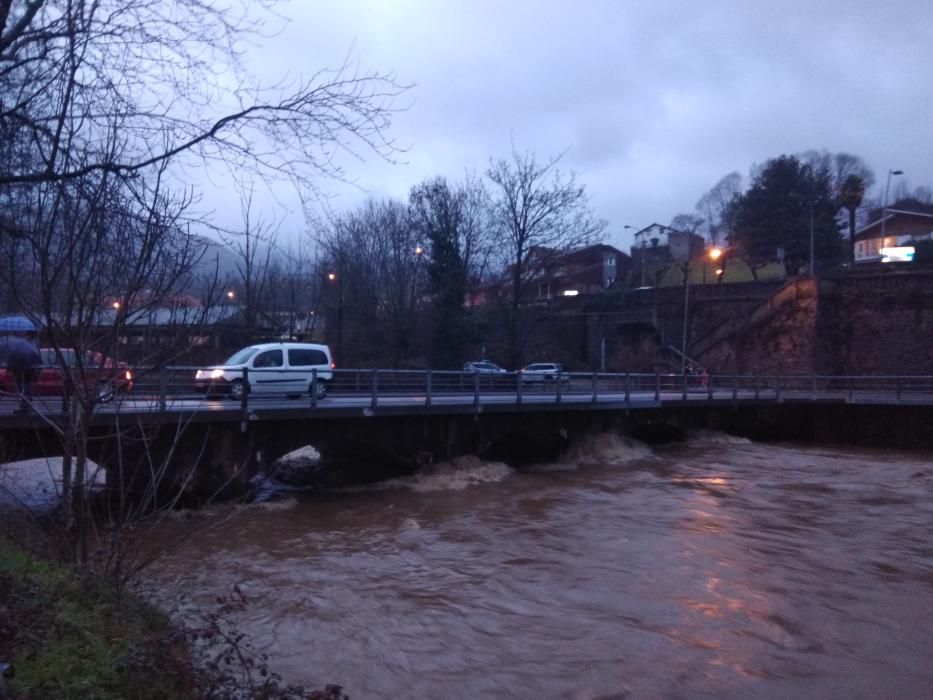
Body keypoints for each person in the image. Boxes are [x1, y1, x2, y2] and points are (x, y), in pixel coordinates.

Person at [5, 333, 41, 413]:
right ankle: (26, 405)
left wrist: (10, 368)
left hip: (23, 374)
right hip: (26, 373)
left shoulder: (15, 351)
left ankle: (25, 406)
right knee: (26, 389)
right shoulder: (31, 350)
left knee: (24, 389)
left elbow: (11, 363)